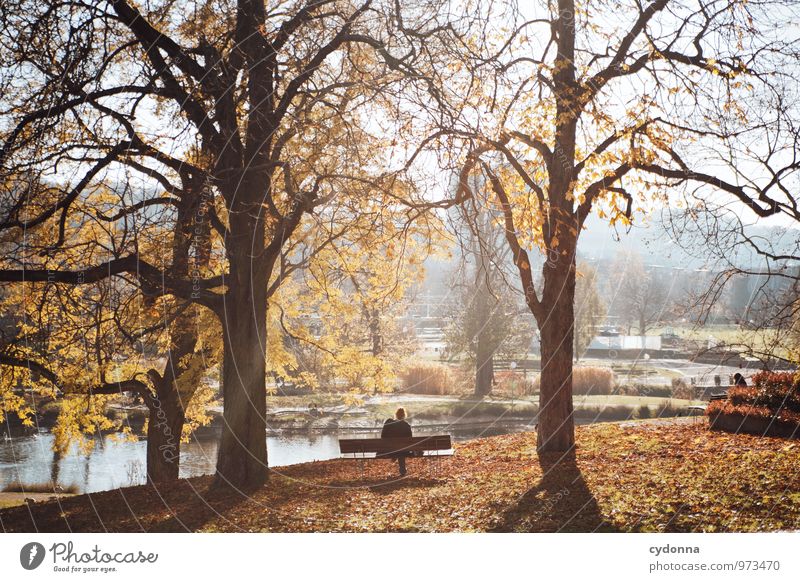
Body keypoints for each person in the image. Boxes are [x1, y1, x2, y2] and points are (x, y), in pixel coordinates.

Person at [380, 407, 412, 476]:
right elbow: (410, 439)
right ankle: (402, 471)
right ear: (404, 415)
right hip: (402, 450)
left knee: (398, 449)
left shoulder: (389, 422)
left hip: (389, 450)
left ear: (396, 414)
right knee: (401, 450)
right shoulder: (406, 425)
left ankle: (394, 456)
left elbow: (382, 436)